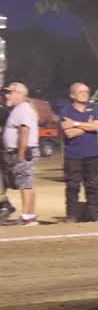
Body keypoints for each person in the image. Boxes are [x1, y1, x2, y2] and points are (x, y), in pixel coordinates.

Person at [59, 82, 98, 222]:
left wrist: (76, 123)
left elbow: (97, 126)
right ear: (72, 95)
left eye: (87, 91)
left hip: (92, 154)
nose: (85, 94)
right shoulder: (65, 111)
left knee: (92, 185)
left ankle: (93, 215)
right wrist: (87, 126)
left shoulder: (94, 108)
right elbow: (69, 133)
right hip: (73, 155)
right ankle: (72, 215)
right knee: (73, 186)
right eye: (81, 91)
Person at [2, 82, 41, 226]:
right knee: (27, 184)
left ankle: (26, 217)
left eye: (11, 92)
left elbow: (25, 131)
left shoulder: (23, 109)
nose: (8, 95)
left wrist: (21, 153)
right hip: (25, 151)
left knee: (25, 184)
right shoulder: (19, 108)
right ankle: (29, 214)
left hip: (25, 151)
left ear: (20, 94)